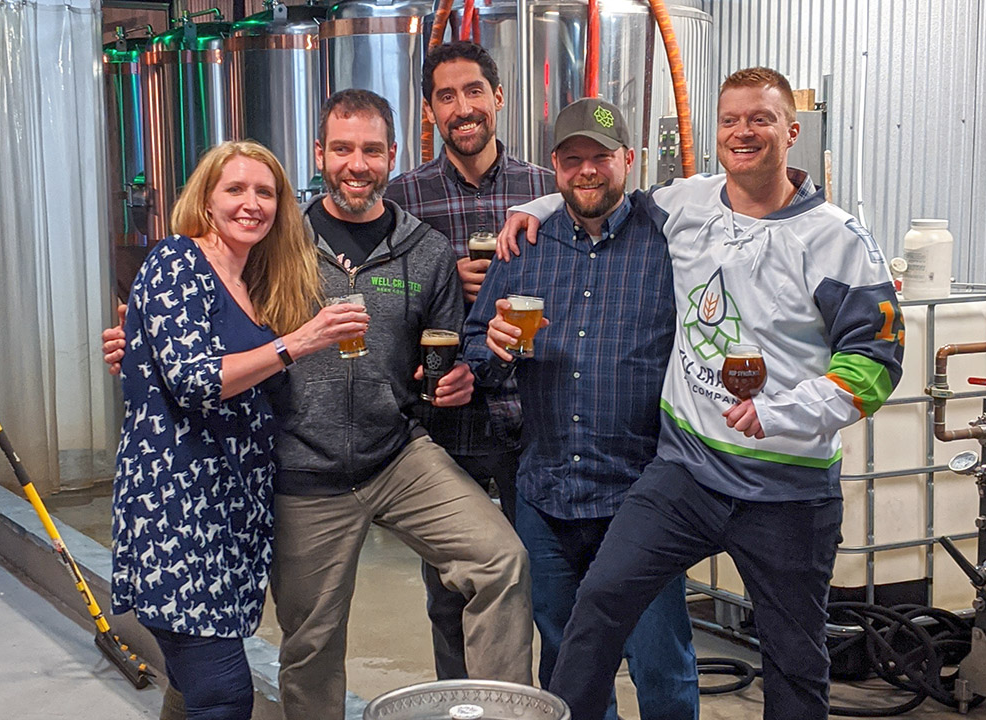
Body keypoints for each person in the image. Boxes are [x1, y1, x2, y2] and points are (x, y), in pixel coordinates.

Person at [103, 92, 533, 720]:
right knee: (311, 647)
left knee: (500, 560)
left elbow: (448, 350)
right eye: (341, 149)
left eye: (370, 150)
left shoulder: (427, 250)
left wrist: (459, 376)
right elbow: (200, 321)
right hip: (300, 467)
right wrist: (134, 339)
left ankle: (501, 714)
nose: (355, 164)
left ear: (393, 156)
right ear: (320, 155)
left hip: (398, 454)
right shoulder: (274, 244)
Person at [503, 68, 905, 720]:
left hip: (789, 490)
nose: (743, 131)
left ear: (791, 131)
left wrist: (783, 412)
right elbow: (606, 194)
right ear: (716, 132)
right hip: (685, 472)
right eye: (731, 120)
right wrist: (537, 205)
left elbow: (876, 364)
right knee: (599, 604)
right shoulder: (688, 202)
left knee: (794, 662)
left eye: (761, 119)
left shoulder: (839, 240)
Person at [111, 140, 368, 720]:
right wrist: (299, 341)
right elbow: (196, 380)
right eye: (236, 189)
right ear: (205, 200)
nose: (252, 203)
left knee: (198, 688)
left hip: (231, 517)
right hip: (177, 513)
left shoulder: (254, 284)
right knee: (224, 694)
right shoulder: (177, 260)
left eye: (266, 192)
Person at [463, 98, 699, 720]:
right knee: (569, 665)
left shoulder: (669, 238)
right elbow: (473, 348)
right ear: (554, 167)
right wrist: (490, 349)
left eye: (601, 158)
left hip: (642, 496)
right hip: (546, 492)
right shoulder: (525, 248)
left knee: (661, 665)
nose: (587, 171)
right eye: (573, 161)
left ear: (629, 159)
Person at [383, 40, 554, 681]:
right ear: (430, 112)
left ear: (498, 97)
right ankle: (461, 699)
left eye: (474, 91)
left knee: (543, 581)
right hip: (444, 419)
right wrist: (442, 284)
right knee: (450, 592)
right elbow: (383, 309)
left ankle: (538, 701)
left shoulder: (545, 187)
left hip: (529, 413)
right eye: (447, 97)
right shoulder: (402, 197)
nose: (463, 108)